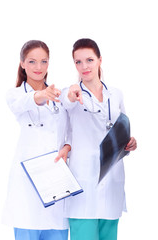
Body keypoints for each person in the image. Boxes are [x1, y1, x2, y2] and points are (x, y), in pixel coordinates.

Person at [60, 38, 137, 240]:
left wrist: (130, 143)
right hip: (84, 179)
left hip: (112, 177)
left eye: (89, 60)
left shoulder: (116, 94)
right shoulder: (72, 93)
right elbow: (65, 102)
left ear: (100, 60)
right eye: (78, 62)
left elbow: (122, 127)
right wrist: (70, 93)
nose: (84, 66)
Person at [2, 40, 71, 240]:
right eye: (32, 62)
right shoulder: (15, 94)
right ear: (22, 63)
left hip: (57, 180)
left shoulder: (60, 96)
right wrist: (40, 95)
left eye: (43, 61)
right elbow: (24, 103)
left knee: (57, 233)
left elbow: (69, 133)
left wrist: (68, 146)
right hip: (27, 185)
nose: (38, 67)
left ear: (49, 64)